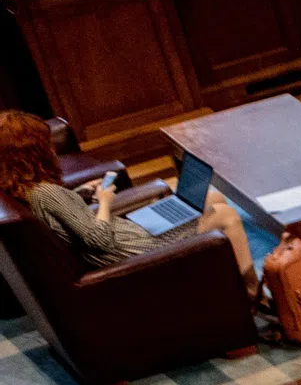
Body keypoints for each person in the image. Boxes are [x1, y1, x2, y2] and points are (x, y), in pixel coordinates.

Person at [0, 110, 260, 294]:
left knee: (211, 197)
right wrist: (103, 201)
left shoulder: (24, 189)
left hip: (125, 235)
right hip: (129, 249)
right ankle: (251, 291)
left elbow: (61, 216)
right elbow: (99, 239)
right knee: (226, 215)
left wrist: (80, 194)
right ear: (33, 151)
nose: (51, 148)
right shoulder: (47, 192)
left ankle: (227, 273)